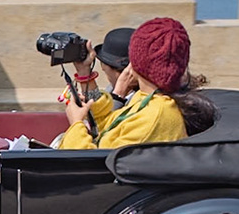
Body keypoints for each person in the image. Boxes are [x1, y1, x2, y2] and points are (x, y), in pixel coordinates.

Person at [56, 16, 212, 149]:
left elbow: (93, 164)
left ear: (136, 62)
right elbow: (108, 126)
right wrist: (85, 73)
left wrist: (76, 124)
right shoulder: (149, 99)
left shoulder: (154, 116)